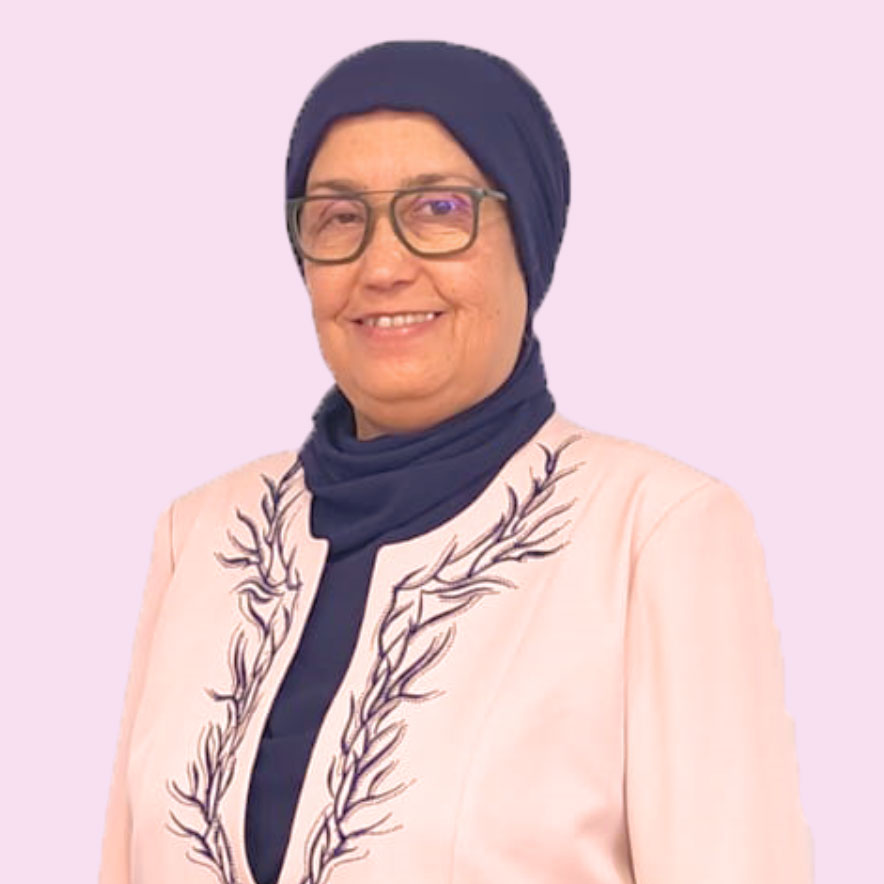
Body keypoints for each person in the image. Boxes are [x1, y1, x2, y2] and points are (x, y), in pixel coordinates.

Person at [99, 40, 813, 884]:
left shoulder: (653, 533)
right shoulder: (199, 536)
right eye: (339, 218)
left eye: (440, 208)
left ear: (529, 240)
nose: (382, 267)